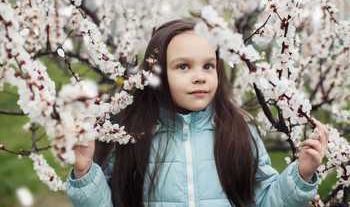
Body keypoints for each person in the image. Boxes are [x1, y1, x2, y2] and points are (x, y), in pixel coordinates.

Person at [66, 18, 329, 207]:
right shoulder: (134, 135)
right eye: (183, 67)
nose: (199, 77)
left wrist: (301, 175)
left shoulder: (239, 131)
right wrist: (85, 172)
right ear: (156, 75)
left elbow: (266, 200)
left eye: (208, 66)